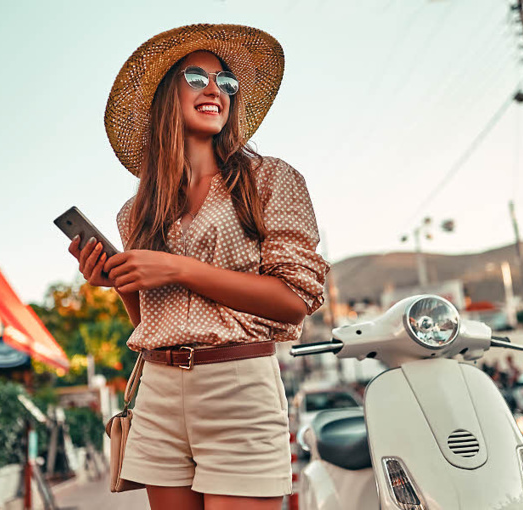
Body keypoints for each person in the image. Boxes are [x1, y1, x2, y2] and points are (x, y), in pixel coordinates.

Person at [69, 24, 329, 510]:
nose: (215, 89)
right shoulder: (136, 211)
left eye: (226, 82)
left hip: (238, 386)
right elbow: (153, 324)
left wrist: (178, 269)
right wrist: (118, 283)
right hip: (159, 390)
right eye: (196, 77)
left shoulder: (268, 179)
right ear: (167, 94)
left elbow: (293, 303)